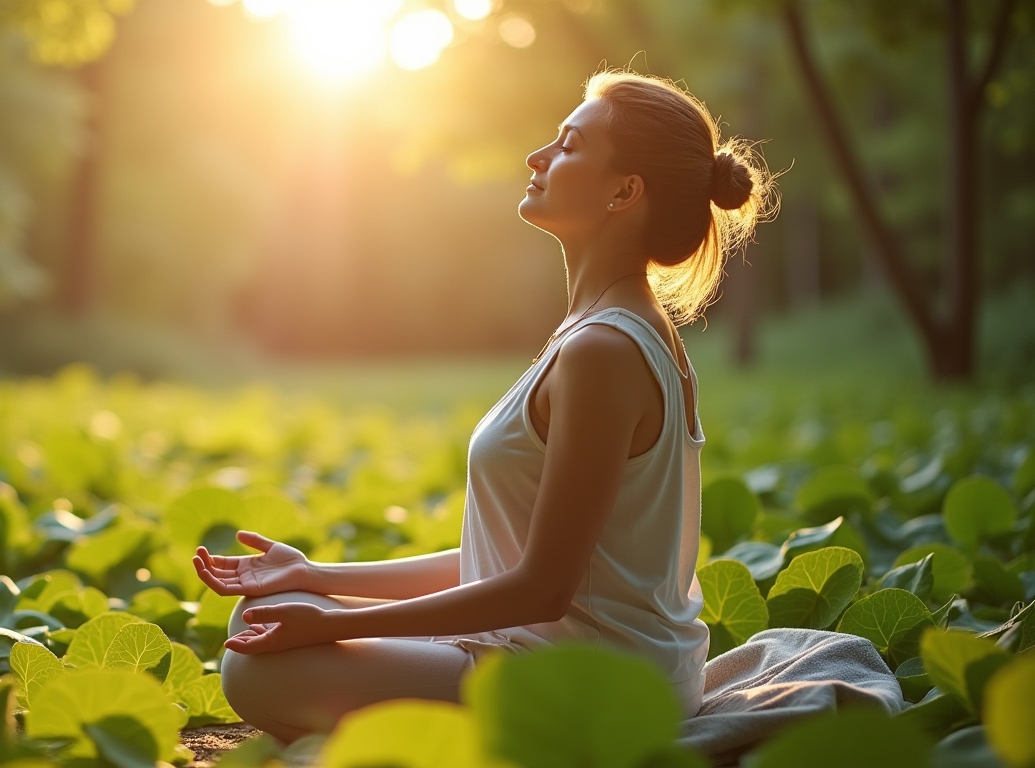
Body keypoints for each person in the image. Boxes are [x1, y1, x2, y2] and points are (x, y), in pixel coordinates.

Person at [191, 68, 775, 745]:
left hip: (595, 686)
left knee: (257, 669)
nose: (537, 157)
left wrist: (337, 622)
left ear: (624, 191)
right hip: (549, 653)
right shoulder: (599, 332)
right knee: (271, 608)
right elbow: (507, 562)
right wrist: (316, 577)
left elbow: (543, 589)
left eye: (568, 145)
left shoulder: (605, 351)